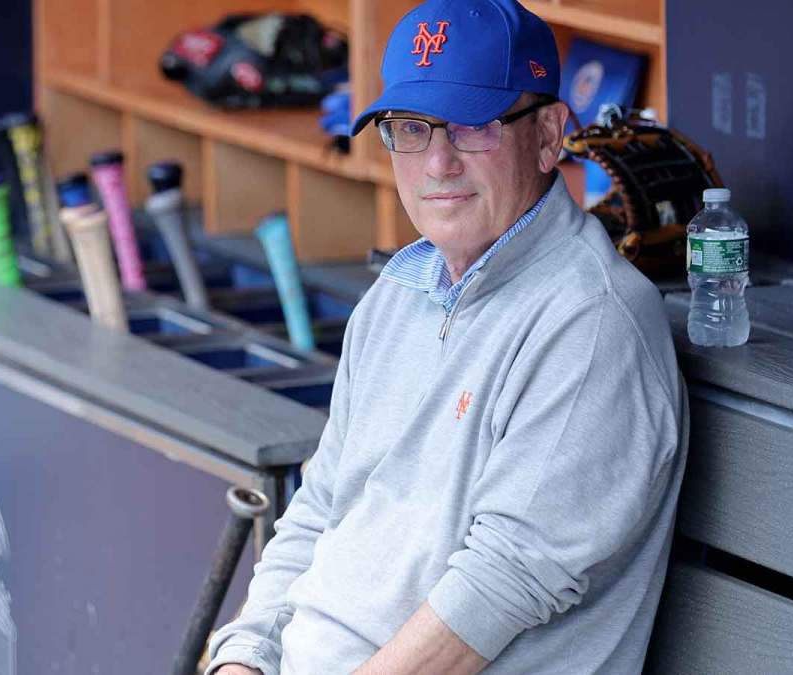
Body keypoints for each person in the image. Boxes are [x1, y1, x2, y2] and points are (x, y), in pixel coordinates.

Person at [207, 0, 687, 672]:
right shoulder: (397, 295)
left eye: (472, 128)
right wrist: (245, 655)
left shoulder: (590, 321)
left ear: (549, 134)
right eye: (411, 128)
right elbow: (319, 508)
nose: (437, 163)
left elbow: (495, 587)